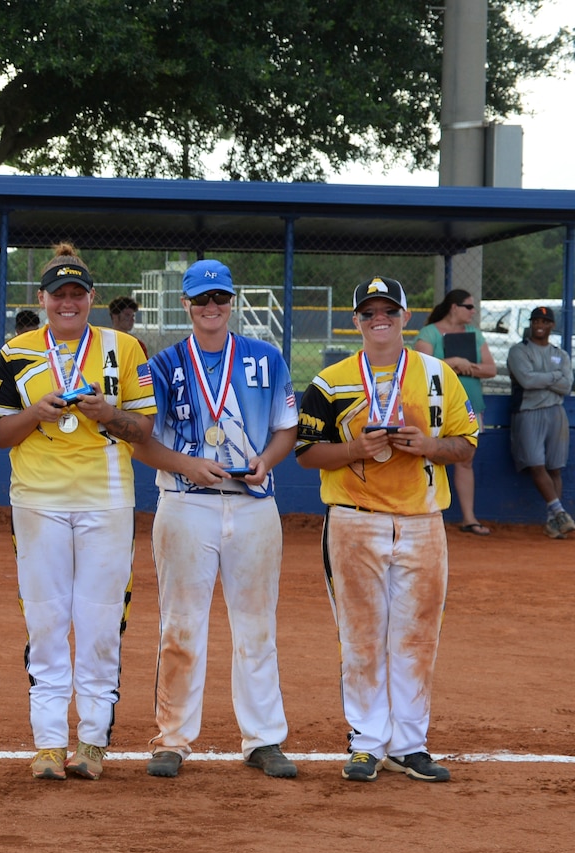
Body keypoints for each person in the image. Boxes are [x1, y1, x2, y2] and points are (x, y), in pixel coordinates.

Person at [296, 276, 477, 783]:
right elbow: (307, 455)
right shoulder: (330, 381)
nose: (380, 319)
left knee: (418, 636)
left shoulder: (438, 375)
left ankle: (410, 743)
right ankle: (367, 741)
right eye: (369, 312)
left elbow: (466, 444)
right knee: (360, 637)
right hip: (354, 521)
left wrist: (429, 446)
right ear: (356, 321)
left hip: (422, 521)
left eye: (389, 311)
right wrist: (356, 448)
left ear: (406, 317)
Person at [0, 242, 155, 782]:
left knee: (101, 619)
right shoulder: (15, 353)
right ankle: (48, 743)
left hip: (107, 500)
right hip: (38, 501)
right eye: (58, 294)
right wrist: (37, 412)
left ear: (91, 299)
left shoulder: (125, 348)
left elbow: (144, 428)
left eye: (77, 294)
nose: (68, 302)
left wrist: (108, 413)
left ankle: (93, 741)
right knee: (46, 618)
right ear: (42, 298)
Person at [134, 260, 299, 779]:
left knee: (257, 625)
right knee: (180, 625)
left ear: (232, 300)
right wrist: (188, 465)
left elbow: (286, 429)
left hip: (252, 503)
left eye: (220, 299)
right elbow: (142, 441)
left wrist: (267, 461)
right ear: (185, 304)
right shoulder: (162, 366)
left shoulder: (265, 359)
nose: (211, 308)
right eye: (201, 300)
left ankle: (263, 738)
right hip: (186, 503)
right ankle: (172, 739)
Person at [415, 290, 495, 535]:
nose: (473, 311)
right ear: (453, 307)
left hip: (469, 405)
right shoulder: (429, 333)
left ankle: (469, 519)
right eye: (468, 307)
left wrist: (467, 367)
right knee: (424, 456)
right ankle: (420, 514)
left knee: (465, 458)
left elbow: (490, 369)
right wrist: (453, 362)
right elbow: (418, 365)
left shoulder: (475, 334)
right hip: (433, 406)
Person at [506, 306, 574, 537]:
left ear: (551, 325)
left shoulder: (560, 353)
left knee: (555, 467)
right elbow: (526, 380)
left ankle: (552, 522)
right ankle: (559, 511)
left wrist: (545, 379)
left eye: (544, 321)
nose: (539, 325)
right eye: (536, 321)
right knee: (535, 464)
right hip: (528, 410)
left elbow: (567, 386)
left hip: (555, 412)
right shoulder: (519, 350)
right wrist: (555, 377)